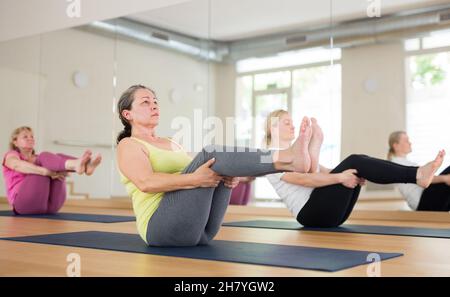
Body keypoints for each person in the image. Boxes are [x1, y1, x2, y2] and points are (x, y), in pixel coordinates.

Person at [116, 85, 312, 247]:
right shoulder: (129, 145)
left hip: (201, 231)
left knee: (216, 165)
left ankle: (289, 160)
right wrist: (194, 179)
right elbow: (146, 182)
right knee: (210, 153)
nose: (154, 106)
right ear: (128, 114)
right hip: (160, 228)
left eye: (155, 101)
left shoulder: (172, 142)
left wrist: (230, 173)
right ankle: (288, 159)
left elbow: (203, 170)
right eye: (145, 102)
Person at [264, 109, 445, 227]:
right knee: (354, 161)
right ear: (273, 128)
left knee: (357, 165)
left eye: (292, 122)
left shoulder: (296, 155)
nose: (293, 125)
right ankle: (418, 174)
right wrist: (341, 177)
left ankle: (315, 150)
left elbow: (324, 172)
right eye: (286, 122)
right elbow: (304, 180)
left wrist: (348, 175)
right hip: (310, 214)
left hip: (328, 213)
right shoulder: (271, 156)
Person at [2, 126, 102, 215]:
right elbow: (16, 165)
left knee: (56, 158)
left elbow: (60, 169)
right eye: (25, 137)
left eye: (32, 136)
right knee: (44, 158)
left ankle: (85, 166)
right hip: (24, 204)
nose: (30, 139)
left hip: (51, 206)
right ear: (15, 142)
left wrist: (58, 171)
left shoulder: (40, 159)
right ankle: (81, 165)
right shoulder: (11, 155)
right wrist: (45, 172)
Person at [388, 131, 450, 211]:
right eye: (406, 141)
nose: (410, 143)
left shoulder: (405, 162)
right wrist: (445, 178)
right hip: (423, 203)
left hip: (425, 200)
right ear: (396, 146)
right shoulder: (397, 163)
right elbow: (424, 178)